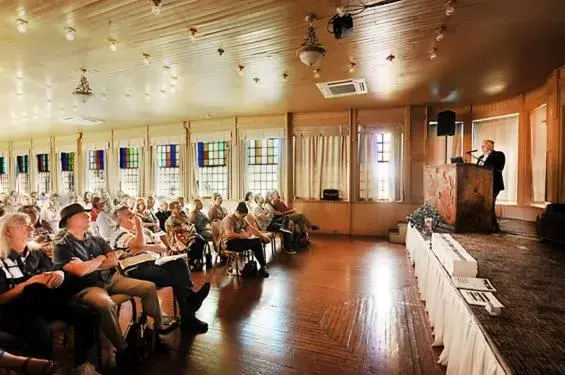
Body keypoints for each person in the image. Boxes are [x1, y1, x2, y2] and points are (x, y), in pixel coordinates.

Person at [53, 203, 168, 365]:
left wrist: (91, 264)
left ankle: (154, 331)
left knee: (148, 287)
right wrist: (100, 259)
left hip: (112, 279)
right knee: (105, 304)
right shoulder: (62, 245)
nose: (88, 216)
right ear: (69, 221)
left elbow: (113, 260)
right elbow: (79, 272)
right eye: (82, 214)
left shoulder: (95, 238)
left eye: (87, 214)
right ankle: (123, 348)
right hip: (88, 287)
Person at [0, 213, 99, 373]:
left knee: (86, 313)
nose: (32, 228)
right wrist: (30, 282)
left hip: (42, 303)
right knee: (38, 321)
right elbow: (2, 299)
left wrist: (59, 274)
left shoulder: (36, 252)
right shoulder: (1, 259)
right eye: (24, 225)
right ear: (7, 231)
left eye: (30, 224)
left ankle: (84, 366)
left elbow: (52, 271)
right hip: (12, 310)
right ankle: (43, 369)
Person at [112, 206, 210, 333]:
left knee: (179, 263)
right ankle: (189, 313)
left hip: (154, 262)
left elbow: (163, 247)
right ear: (119, 220)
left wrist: (145, 247)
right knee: (178, 277)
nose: (133, 216)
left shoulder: (144, 232)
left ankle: (189, 309)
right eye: (128, 215)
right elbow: (138, 243)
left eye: (132, 213)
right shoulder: (119, 234)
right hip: (136, 269)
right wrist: (139, 226)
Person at [221, 202, 270, 278]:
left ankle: (263, 266)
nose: (243, 218)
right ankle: (263, 266)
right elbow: (229, 234)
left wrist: (262, 236)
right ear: (237, 212)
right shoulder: (229, 218)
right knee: (256, 242)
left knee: (256, 241)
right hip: (228, 243)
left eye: (244, 216)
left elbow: (250, 228)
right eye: (242, 216)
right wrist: (242, 235)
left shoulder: (241, 219)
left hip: (237, 241)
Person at [165, 201, 205, 271]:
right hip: (176, 238)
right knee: (194, 242)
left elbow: (189, 223)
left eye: (179, 207)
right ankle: (191, 261)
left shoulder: (183, 215)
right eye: (176, 207)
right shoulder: (170, 219)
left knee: (201, 240)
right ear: (172, 209)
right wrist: (185, 228)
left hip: (187, 234)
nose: (179, 208)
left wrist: (190, 228)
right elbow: (173, 230)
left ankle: (197, 259)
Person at [476, 139, 506, 233]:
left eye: (483, 145)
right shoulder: (481, 157)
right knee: (484, 205)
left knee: (490, 205)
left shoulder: (498, 155)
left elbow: (499, 168)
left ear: (489, 146)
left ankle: (493, 226)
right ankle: (486, 225)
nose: (481, 147)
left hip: (494, 184)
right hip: (482, 185)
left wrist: (488, 157)